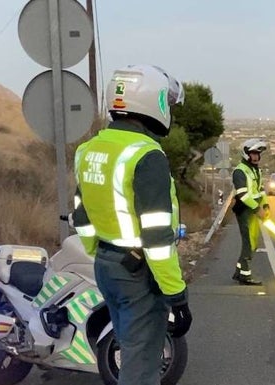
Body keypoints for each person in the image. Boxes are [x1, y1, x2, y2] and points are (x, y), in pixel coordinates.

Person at [69, 64, 192, 385]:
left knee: (130, 349)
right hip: (138, 272)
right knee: (141, 366)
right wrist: (176, 294)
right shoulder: (147, 154)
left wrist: (102, 250)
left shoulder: (88, 150)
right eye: (169, 104)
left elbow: (81, 214)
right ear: (154, 103)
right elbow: (157, 236)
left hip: (107, 266)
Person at [231, 138, 270, 286]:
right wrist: (256, 208)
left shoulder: (256, 170)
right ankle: (245, 276)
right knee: (248, 244)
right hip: (245, 211)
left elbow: (260, 190)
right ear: (246, 153)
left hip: (254, 212)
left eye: (258, 154)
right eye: (253, 153)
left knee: (253, 242)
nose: (256, 156)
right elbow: (243, 194)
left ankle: (239, 272)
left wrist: (266, 206)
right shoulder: (240, 171)